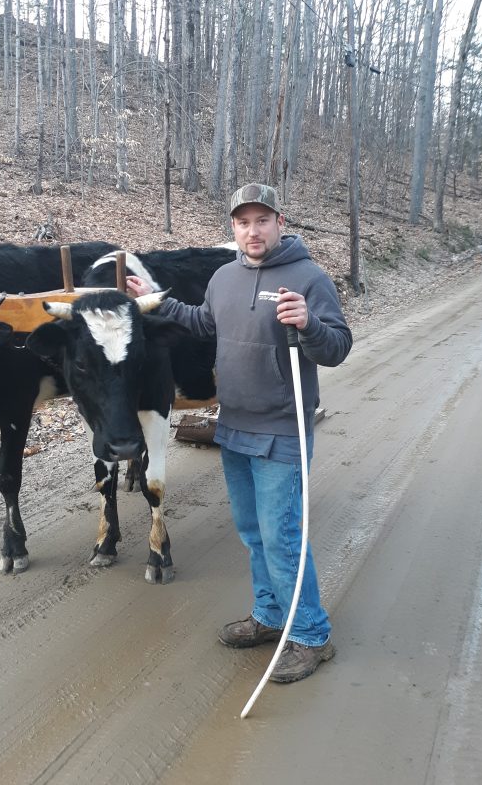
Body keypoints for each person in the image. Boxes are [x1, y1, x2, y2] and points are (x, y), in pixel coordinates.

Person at [127, 183, 352, 683]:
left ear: (280, 222)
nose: (253, 231)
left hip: (282, 432)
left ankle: (312, 635)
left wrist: (310, 324)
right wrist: (156, 302)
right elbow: (202, 323)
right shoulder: (223, 277)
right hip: (233, 428)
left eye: (262, 220)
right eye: (243, 222)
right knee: (253, 535)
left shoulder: (308, 278)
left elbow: (337, 346)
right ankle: (270, 616)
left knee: (283, 538)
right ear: (233, 226)